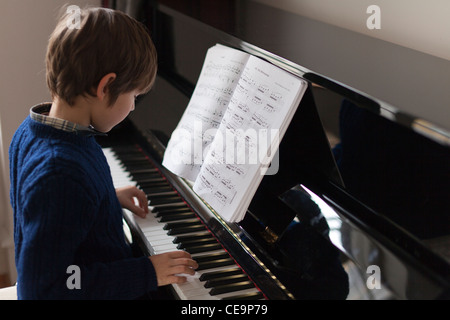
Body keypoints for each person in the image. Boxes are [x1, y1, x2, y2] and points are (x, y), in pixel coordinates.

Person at [9, 6, 197, 300]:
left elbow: (56, 213)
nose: (134, 107)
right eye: (134, 95)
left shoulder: (36, 130)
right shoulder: (61, 171)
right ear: (106, 86)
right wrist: (147, 272)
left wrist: (105, 199)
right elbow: (42, 289)